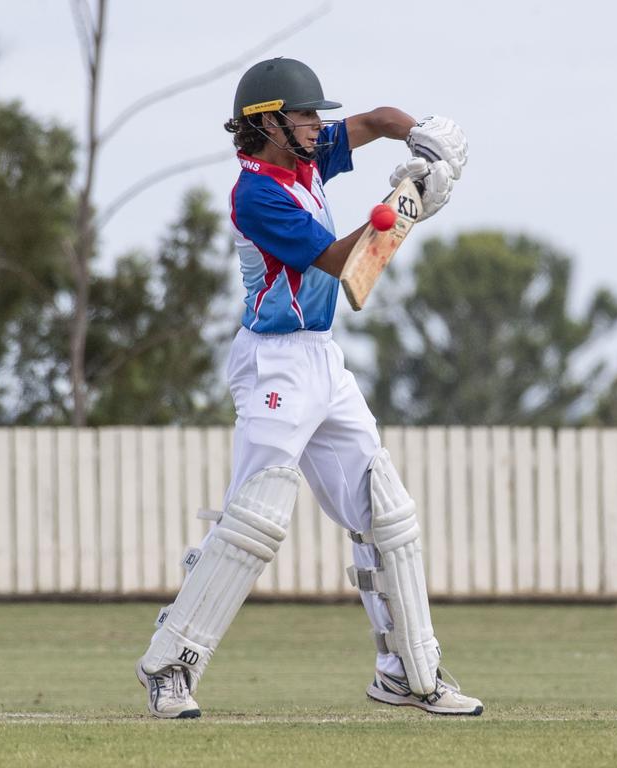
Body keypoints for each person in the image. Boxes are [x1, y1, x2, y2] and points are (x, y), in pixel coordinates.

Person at [135, 57, 482, 719]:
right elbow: (340, 262)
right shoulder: (256, 194)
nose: (317, 125)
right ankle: (169, 663)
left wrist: (425, 146)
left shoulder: (308, 155)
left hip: (323, 360)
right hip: (273, 365)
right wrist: (405, 204)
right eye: (304, 115)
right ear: (268, 123)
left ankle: (407, 673)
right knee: (255, 518)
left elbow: (378, 121)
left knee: (387, 511)